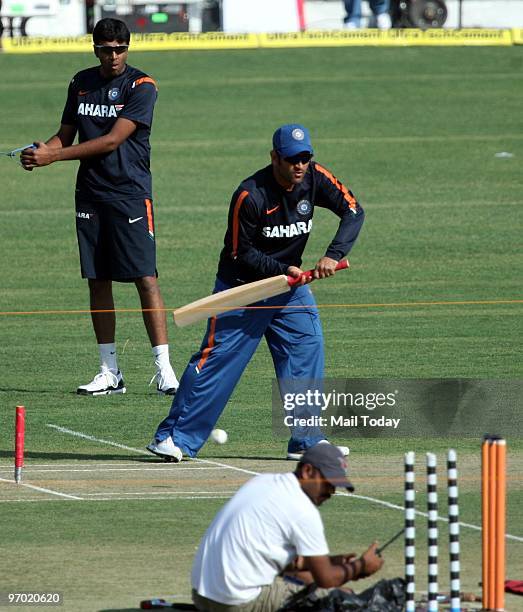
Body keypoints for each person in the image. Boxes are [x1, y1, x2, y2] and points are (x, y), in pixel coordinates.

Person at [146, 123, 364, 462]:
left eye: (305, 158)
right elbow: (240, 252)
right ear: (274, 157)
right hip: (242, 289)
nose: (299, 166)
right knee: (218, 363)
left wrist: (333, 254)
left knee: (307, 346)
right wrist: (282, 271)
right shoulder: (250, 195)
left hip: (291, 290)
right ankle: (172, 437)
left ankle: (306, 439)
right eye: (292, 159)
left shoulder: (315, 178)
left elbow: (353, 211)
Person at [20, 18, 178, 397]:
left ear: (128, 48)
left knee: (146, 278)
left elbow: (111, 141)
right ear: (95, 48)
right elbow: (65, 134)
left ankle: (164, 369)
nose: (113, 57)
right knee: (98, 280)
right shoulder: (80, 82)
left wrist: (54, 159)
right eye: (106, 49)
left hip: (129, 193)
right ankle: (109, 371)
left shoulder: (142, 86)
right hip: (90, 194)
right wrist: (42, 150)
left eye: (120, 49)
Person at [191, 444, 384, 611]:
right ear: (308, 471)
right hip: (236, 603)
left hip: (202, 594)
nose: (332, 491)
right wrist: (361, 567)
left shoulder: (262, 481)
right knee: (340, 596)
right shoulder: (303, 510)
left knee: (305, 577)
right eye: (328, 483)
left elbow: (272, 556)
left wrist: (329, 562)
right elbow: (326, 579)